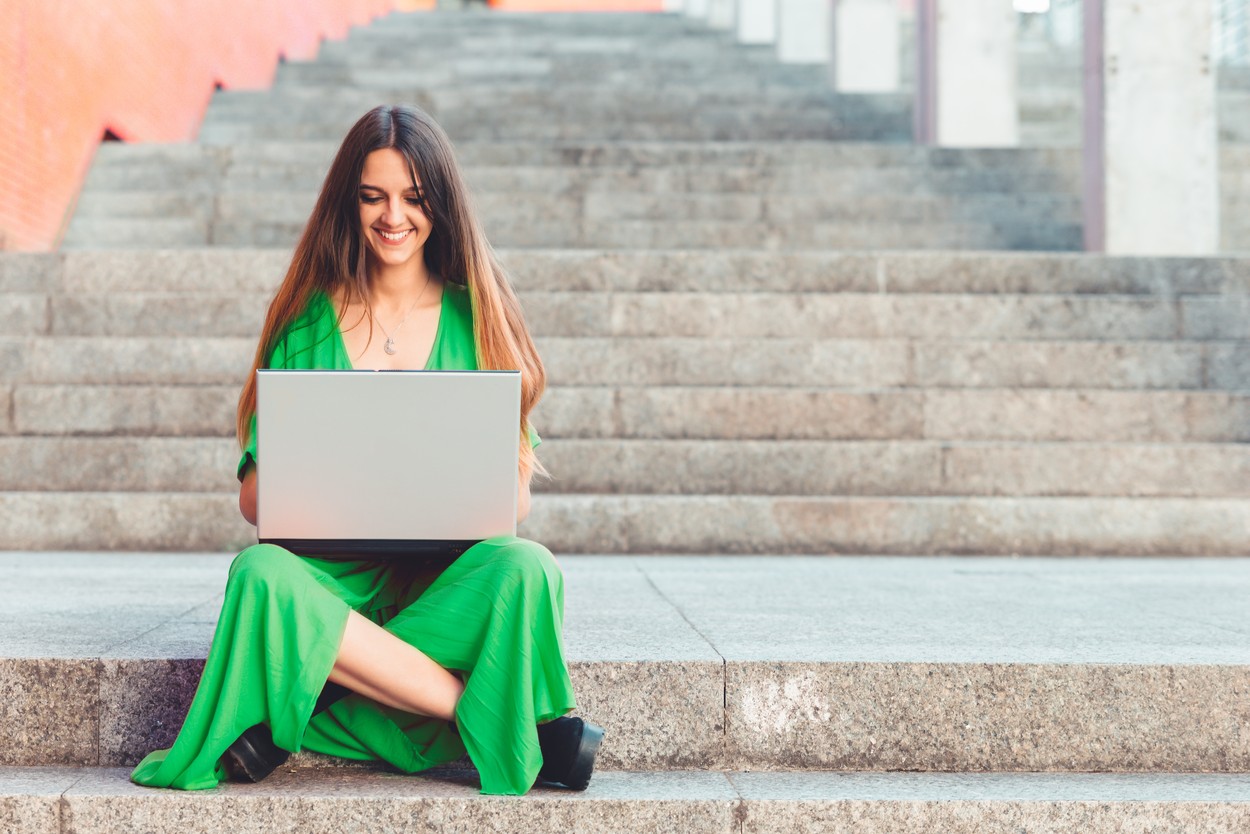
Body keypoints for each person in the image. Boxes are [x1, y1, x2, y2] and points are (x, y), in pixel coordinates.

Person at [129, 104, 603, 796]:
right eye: (373, 196)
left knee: (529, 569)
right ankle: (490, 716)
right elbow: (254, 502)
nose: (394, 217)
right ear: (348, 202)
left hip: (438, 586)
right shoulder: (308, 322)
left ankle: (311, 705)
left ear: (440, 204)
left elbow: (515, 501)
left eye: (414, 198)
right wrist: (330, 468)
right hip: (331, 583)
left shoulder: (479, 319)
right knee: (260, 575)